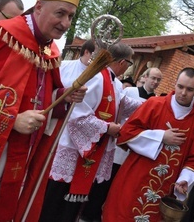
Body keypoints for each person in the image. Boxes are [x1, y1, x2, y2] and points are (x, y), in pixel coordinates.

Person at [0, 0, 87, 221]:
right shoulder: (0, 35)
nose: (65, 23)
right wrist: (13, 119)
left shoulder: (50, 50)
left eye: (71, 16)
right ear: (39, 7)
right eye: (60, 13)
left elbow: (42, 96)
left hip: (19, 156)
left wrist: (63, 97)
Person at [39, 40, 142, 222]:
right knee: (55, 207)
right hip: (73, 153)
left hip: (89, 153)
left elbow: (122, 104)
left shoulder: (114, 83)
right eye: (130, 63)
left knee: (70, 210)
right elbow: (76, 116)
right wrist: (107, 128)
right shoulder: (96, 77)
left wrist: (154, 105)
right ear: (122, 63)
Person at [102, 67, 194, 222]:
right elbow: (126, 132)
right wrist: (160, 137)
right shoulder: (154, 104)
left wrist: (185, 179)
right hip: (135, 177)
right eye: (180, 87)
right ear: (175, 84)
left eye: (189, 89)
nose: (183, 93)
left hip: (166, 188)